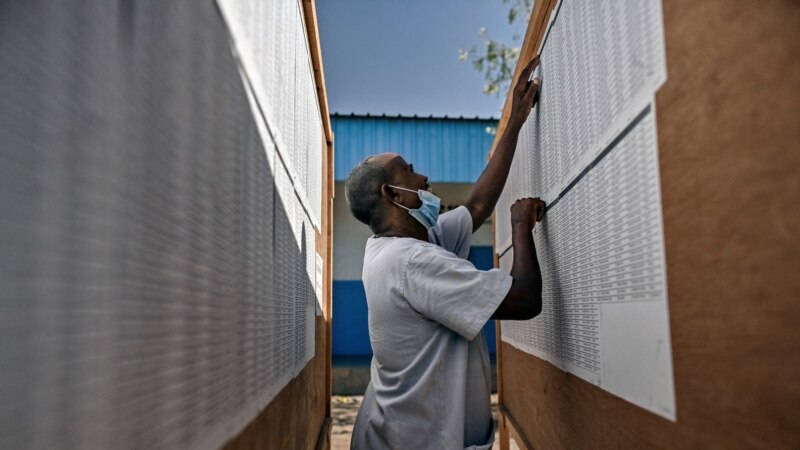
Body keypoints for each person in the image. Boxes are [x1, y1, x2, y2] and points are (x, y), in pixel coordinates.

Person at [344, 56, 545, 450]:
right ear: (394, 194)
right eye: (410, 170)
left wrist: (516, 122)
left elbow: (476, 207)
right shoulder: (412, 262)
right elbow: (524, 300)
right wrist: (521, 225)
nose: (423, 177)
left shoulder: (402, 246)